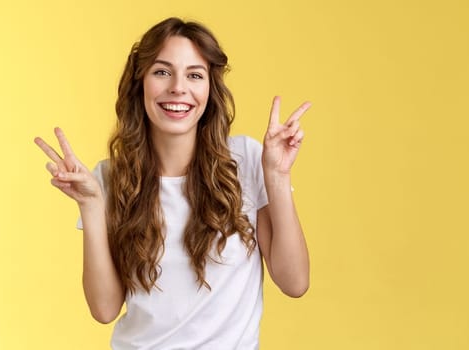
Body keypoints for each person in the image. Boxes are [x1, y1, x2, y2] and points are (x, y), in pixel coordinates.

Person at [34, 17, 310, 349]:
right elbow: (104, 309)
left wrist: (277, 176)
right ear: (140, 84)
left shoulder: (246, 160)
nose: (178, 87)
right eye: (162, 71)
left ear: (210, 89)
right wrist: (91, 205)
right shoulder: (109, 178)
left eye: (195, 75)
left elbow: (294, 282)